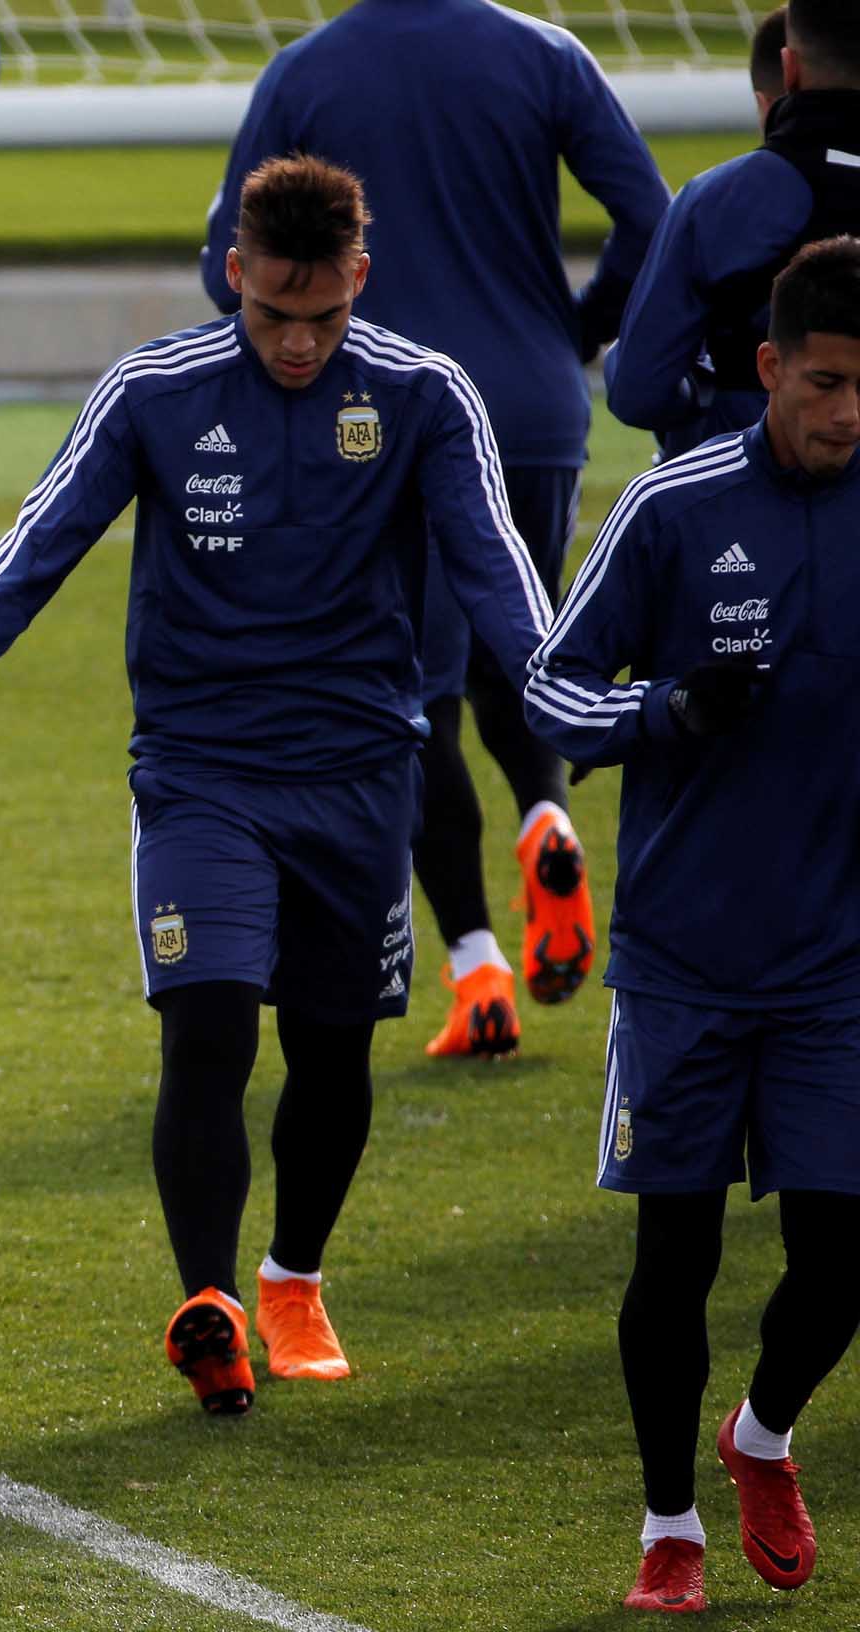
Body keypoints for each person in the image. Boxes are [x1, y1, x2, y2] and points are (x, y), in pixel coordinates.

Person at [0, 157, 552, 1415]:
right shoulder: (155, 392)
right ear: (233, 275)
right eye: (272, 314)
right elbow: (44, 535)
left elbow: (497, 574)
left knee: (333, 1053)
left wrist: (567, 702)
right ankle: (214, 1304)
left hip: (358, 776)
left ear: (361, 280)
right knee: (211, 1023)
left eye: (323, 316)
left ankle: (293, 1277)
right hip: (201, 774)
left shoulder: (422, 394)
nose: (297, 342)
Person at [200, 0, 670, 1059]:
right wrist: (574, 332)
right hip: (535, 406)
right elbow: (655, 219)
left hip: (382, 420)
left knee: (411, 700)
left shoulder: (307, 70)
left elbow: (228, 264)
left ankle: (477, 968)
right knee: (521, 649)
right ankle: (548, 821)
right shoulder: (547, 54)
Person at [524, 235, 860, 1617]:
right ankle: (670, 1524)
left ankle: (762, 1437)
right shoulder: (674, 506)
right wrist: (661, 712)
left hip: (839, 962)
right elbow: (551, 689)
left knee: (843, 1253)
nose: (850, 412)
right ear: (772, 369)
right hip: (682, 964)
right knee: (679, 1255)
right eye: (829, 382)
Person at [607, 0, 860, 463]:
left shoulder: (719, 200)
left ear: (789, 68)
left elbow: (637, 391)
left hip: (746, 495)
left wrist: (706, 393)